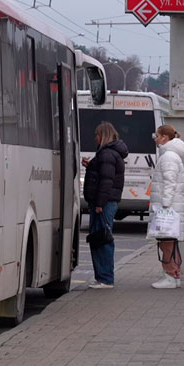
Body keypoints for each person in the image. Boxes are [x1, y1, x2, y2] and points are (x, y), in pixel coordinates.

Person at [82, 122, 128, 289]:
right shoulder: (110, 153)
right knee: (100, 238)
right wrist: (90, 166)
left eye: (97, 134)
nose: (95, 138)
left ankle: (105, 278)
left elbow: (106, 181)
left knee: (102, 239)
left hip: (104, 202)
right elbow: (103, 175)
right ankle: (103, 277)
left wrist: (100, 203)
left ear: (103, 136)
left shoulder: (107, 154)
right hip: (106, 201)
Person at [148, 125, 184, 289]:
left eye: (156, 135)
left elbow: (170, 182)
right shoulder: (172, 155)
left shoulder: (168, 156)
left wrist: (165, 204)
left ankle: (169, 275)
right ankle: (174, 275)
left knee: (166, 243)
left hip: (167, 207)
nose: (155, 139)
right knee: (170, 242)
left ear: (164, 137)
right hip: (173, 206)